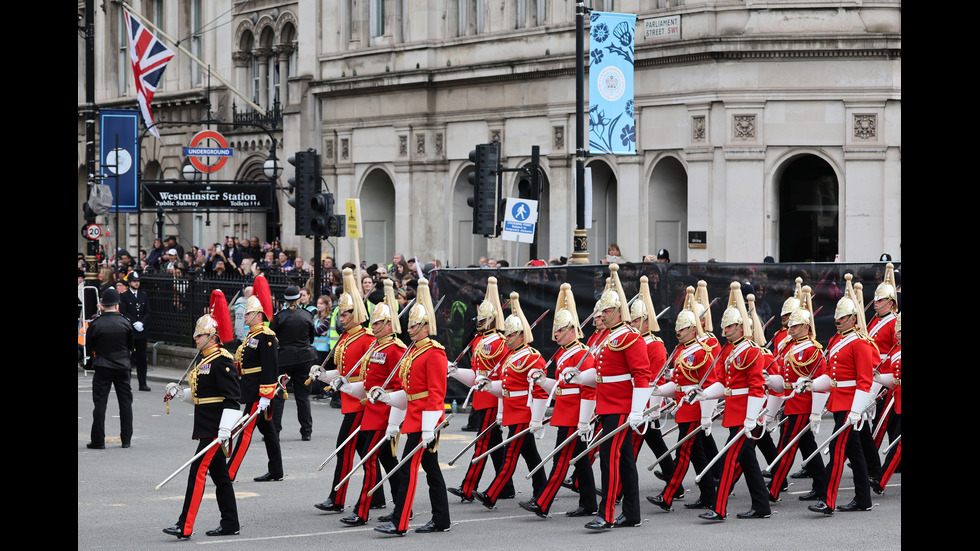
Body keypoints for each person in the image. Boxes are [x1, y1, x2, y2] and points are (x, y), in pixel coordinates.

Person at [567, 264, 652, 530]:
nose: (601, 314)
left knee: (610, 460)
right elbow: (604, 375)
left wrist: (637, 411)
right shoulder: (609, 337)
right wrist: (581, 378)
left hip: (621, 408)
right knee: (624, 461)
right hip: (608, 405)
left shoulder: (629, 337)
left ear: (618, 311)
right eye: (601, 310)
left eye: (606, 310)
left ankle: (608, 514)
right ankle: (632, 513)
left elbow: (642, 376)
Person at [373, 278, 452, 536]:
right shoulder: (411, 351)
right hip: (415, 418)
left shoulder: (435, 353)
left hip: (426, 421)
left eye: (415, 326)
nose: (410, 329)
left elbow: (436, 395)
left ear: (426, 326)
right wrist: (386, 398)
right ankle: (441, 519)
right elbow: (409, 394)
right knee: (431, 469)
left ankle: (400, 521)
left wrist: (429, 428)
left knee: (408, 470)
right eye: (409, 325)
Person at [330, 279, 408, 526]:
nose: (373, 326)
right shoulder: (375, 346)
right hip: (370, 410)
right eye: (372, 322)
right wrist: (345, 386)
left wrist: (394, 422)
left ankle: (362, 511)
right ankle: (401, 504)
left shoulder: (396, 349)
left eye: (378, 323)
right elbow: (366, 382)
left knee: (369, 460)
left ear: (388, 325)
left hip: (384, 412)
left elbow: (399, 388)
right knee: (383, 459)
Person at [692, 282, 771, 521]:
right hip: (735, 413)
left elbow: (757, 388)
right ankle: (762, 506)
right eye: (724, 325)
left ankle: (719, 508)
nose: (725, 330)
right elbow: (724, 384)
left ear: (741, 326)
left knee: (728, 462)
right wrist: (704, 394)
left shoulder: (751, 351)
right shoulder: (727, 351)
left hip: (746, 415)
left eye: (730, 326)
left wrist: (750, 419)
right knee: (748, 463)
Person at [518, 283, 598, 519]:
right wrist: (543, 382)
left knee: (561, 460)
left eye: (560, 330)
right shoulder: (564, 353)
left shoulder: (581, 353)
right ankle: (589, 503)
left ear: (572, 330)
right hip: (565, 410)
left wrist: (585, 420)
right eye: (556, 330)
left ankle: (543, 503)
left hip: (575, 414)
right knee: (580, 461)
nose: (555, 335)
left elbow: (588, 389)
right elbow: (561, 388)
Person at [800, 275, 877, 515]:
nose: (838, 321)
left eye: (843, 318)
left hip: (851, 405)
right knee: (855, 454)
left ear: (854, 319)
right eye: (837, 317)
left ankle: (829, 500)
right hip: (839, 403)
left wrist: (857, 410)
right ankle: (863, 499)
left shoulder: (860, 343)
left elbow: (865, 380)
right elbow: (831, 376)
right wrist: (812, 384)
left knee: (838, 451)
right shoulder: (836, 340)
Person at [162, 310, 241, 539]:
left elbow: (232, 399)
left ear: (212, 336)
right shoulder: (204, 360)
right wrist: (180, 394)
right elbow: (202, 396)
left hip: (215, 429)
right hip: (206, 425)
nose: (195, 339)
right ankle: (230, 523)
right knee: (221, 477)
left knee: (197, 472)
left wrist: (225, 430)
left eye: (200, 335)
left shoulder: (222, 361)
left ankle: (184, 525)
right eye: (196, 335)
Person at [471, 292, 549, 511]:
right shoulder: (509, 356)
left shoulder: (532, 356)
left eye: (511, 334)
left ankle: (492, 494)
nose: (507, 338)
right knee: (529, 453)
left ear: (522, 335)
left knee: (511, 455)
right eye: (506, 334)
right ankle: (541, 489)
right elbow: (506, 387)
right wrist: (489, 386)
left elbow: (540, 390)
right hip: (512, 410)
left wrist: (537, 418)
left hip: (524, 411)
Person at [311, 268, 381, 513]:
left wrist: (345, 384)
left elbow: (368, 374)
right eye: (340, 314)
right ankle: (379, 495)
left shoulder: (367, 338)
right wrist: (323, 375)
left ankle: (337, 498)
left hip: (360, 400)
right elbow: (341, 371)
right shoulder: (345, 337)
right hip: (347, 397)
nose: (340, 318)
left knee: (344, 447)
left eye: (345, 314)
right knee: (365, 451)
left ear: (356, 314)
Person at [648, 287, 717, 513]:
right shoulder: (680, 351)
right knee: (695, 454)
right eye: (677, 328)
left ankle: (668, 496)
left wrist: (706, 416)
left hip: (695, 408)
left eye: (683, 328)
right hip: (683, 407)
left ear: (694, 329)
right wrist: (659, 390)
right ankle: (708, 493)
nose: (678, 332)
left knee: (684, 453)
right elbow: (678, 384)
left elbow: (709, 385)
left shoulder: (702, 351)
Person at [447, 277, 515, 502]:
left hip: (492, 397)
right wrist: (456, 372)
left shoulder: (498, 340)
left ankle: (468, 488)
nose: (479, 322)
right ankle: (506, 487)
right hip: (481, 396)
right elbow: (477, 374)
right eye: (480, 318)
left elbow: (503, 375)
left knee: (482, 444)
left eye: (484, 319)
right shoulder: (479, 340)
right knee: (494, 445)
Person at [765, 286, 830, 503]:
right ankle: (822, 486)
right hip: (790, 400)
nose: (790, 328)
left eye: (794, 325)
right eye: (790, 325)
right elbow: (784, 378)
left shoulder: (813, 348)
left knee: (785, 447)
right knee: (806, 445)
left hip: (802, 404)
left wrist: (816, 413)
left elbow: (820, 382)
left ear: (805, 327)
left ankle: (773, 490)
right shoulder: (788, 346)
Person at [226, 275, 284, 482]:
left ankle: (229, 471)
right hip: (250, 388)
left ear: (259, 315)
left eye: (250, 313)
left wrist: (266, 396)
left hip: (260, 391)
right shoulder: (252, 336)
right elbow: (245, 363)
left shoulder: (266, 336)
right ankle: (276, 470)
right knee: (267, 431)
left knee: (245, 430)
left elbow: (270, 369)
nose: (246, 315)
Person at [86, 288, 134, 449]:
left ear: (102, 304)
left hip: (103, 366)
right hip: (122, 366)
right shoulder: (125, 322)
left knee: (100, 404)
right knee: (125, 403)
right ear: (116, 304)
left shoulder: (96, 323)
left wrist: (93, 360)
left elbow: (89, 347)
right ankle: (126, 439)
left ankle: (98, 440)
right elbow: (131, 347)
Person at [270, 286, 316, 441]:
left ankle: (275, 430)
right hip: (304, 358)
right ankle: (306, 431)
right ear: (298, 299)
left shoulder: (280, 317)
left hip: (284, 359)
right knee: (303, 396)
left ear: (285, 300)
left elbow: (272, 337)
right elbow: (311, 338)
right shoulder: (307, 315)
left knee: (278, 396)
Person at [873, 312, 901, 493]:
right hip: (897, 398)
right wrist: (879, 378)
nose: (897, 332)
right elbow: (895, 379)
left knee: (898, 445)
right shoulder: (896, 350)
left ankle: (881, 480)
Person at [119, 271, 151, 391]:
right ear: (129, 282)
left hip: (141, 331)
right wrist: (134, 323)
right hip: (130, 331)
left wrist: (142, 322)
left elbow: (148, 311)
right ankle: (125, 382)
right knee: (127, 357)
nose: (136, 283)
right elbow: (124, 312)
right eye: (134, 281)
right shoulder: (124, 296)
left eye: (138, 281)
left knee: (142, 358)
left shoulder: (144, 295)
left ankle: (142, 383)